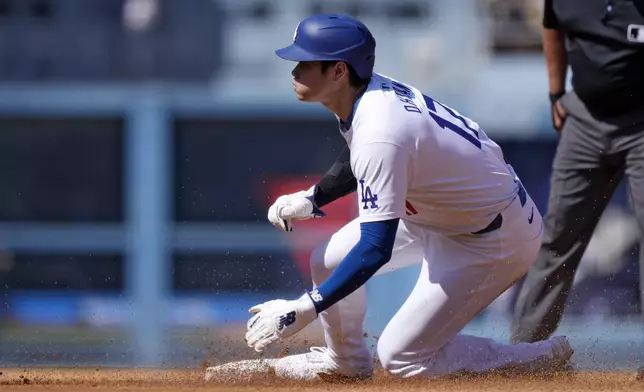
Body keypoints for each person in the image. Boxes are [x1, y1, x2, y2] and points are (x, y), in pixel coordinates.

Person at [205, 13, 573, 382]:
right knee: (328, 259)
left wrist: (305, 308)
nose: (295, 70)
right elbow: (361, 154)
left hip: (491, 238)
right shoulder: (367, 94)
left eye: (307, 62)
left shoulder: (381, 128)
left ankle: (532, 358)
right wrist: (315, 197)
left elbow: (375, 247)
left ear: (338, 72)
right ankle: (345, 363)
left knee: (402, 358)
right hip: (441, 213)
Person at [511, 0, 644, 344]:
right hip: (586, 119)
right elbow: (553, 28)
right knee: (558, 237)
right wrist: (556, 91)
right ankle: (524, 351)